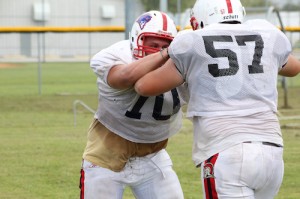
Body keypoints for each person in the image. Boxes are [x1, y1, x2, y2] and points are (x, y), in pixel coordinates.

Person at [133, 0, 300, 198]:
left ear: (200, 19)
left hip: (226, 150)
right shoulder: (265, 32)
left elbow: (144, 86)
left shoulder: (193, 42)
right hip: (271, 151)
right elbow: (294, 68)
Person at [79, 10, 188, 199]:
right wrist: (167, 52)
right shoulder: (118, 56)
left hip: (153, 156)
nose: (159, 50)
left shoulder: (181, 62)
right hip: (106, 156)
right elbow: (124, 78)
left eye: (165, 45)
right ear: (136, 39)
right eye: (153, 44)